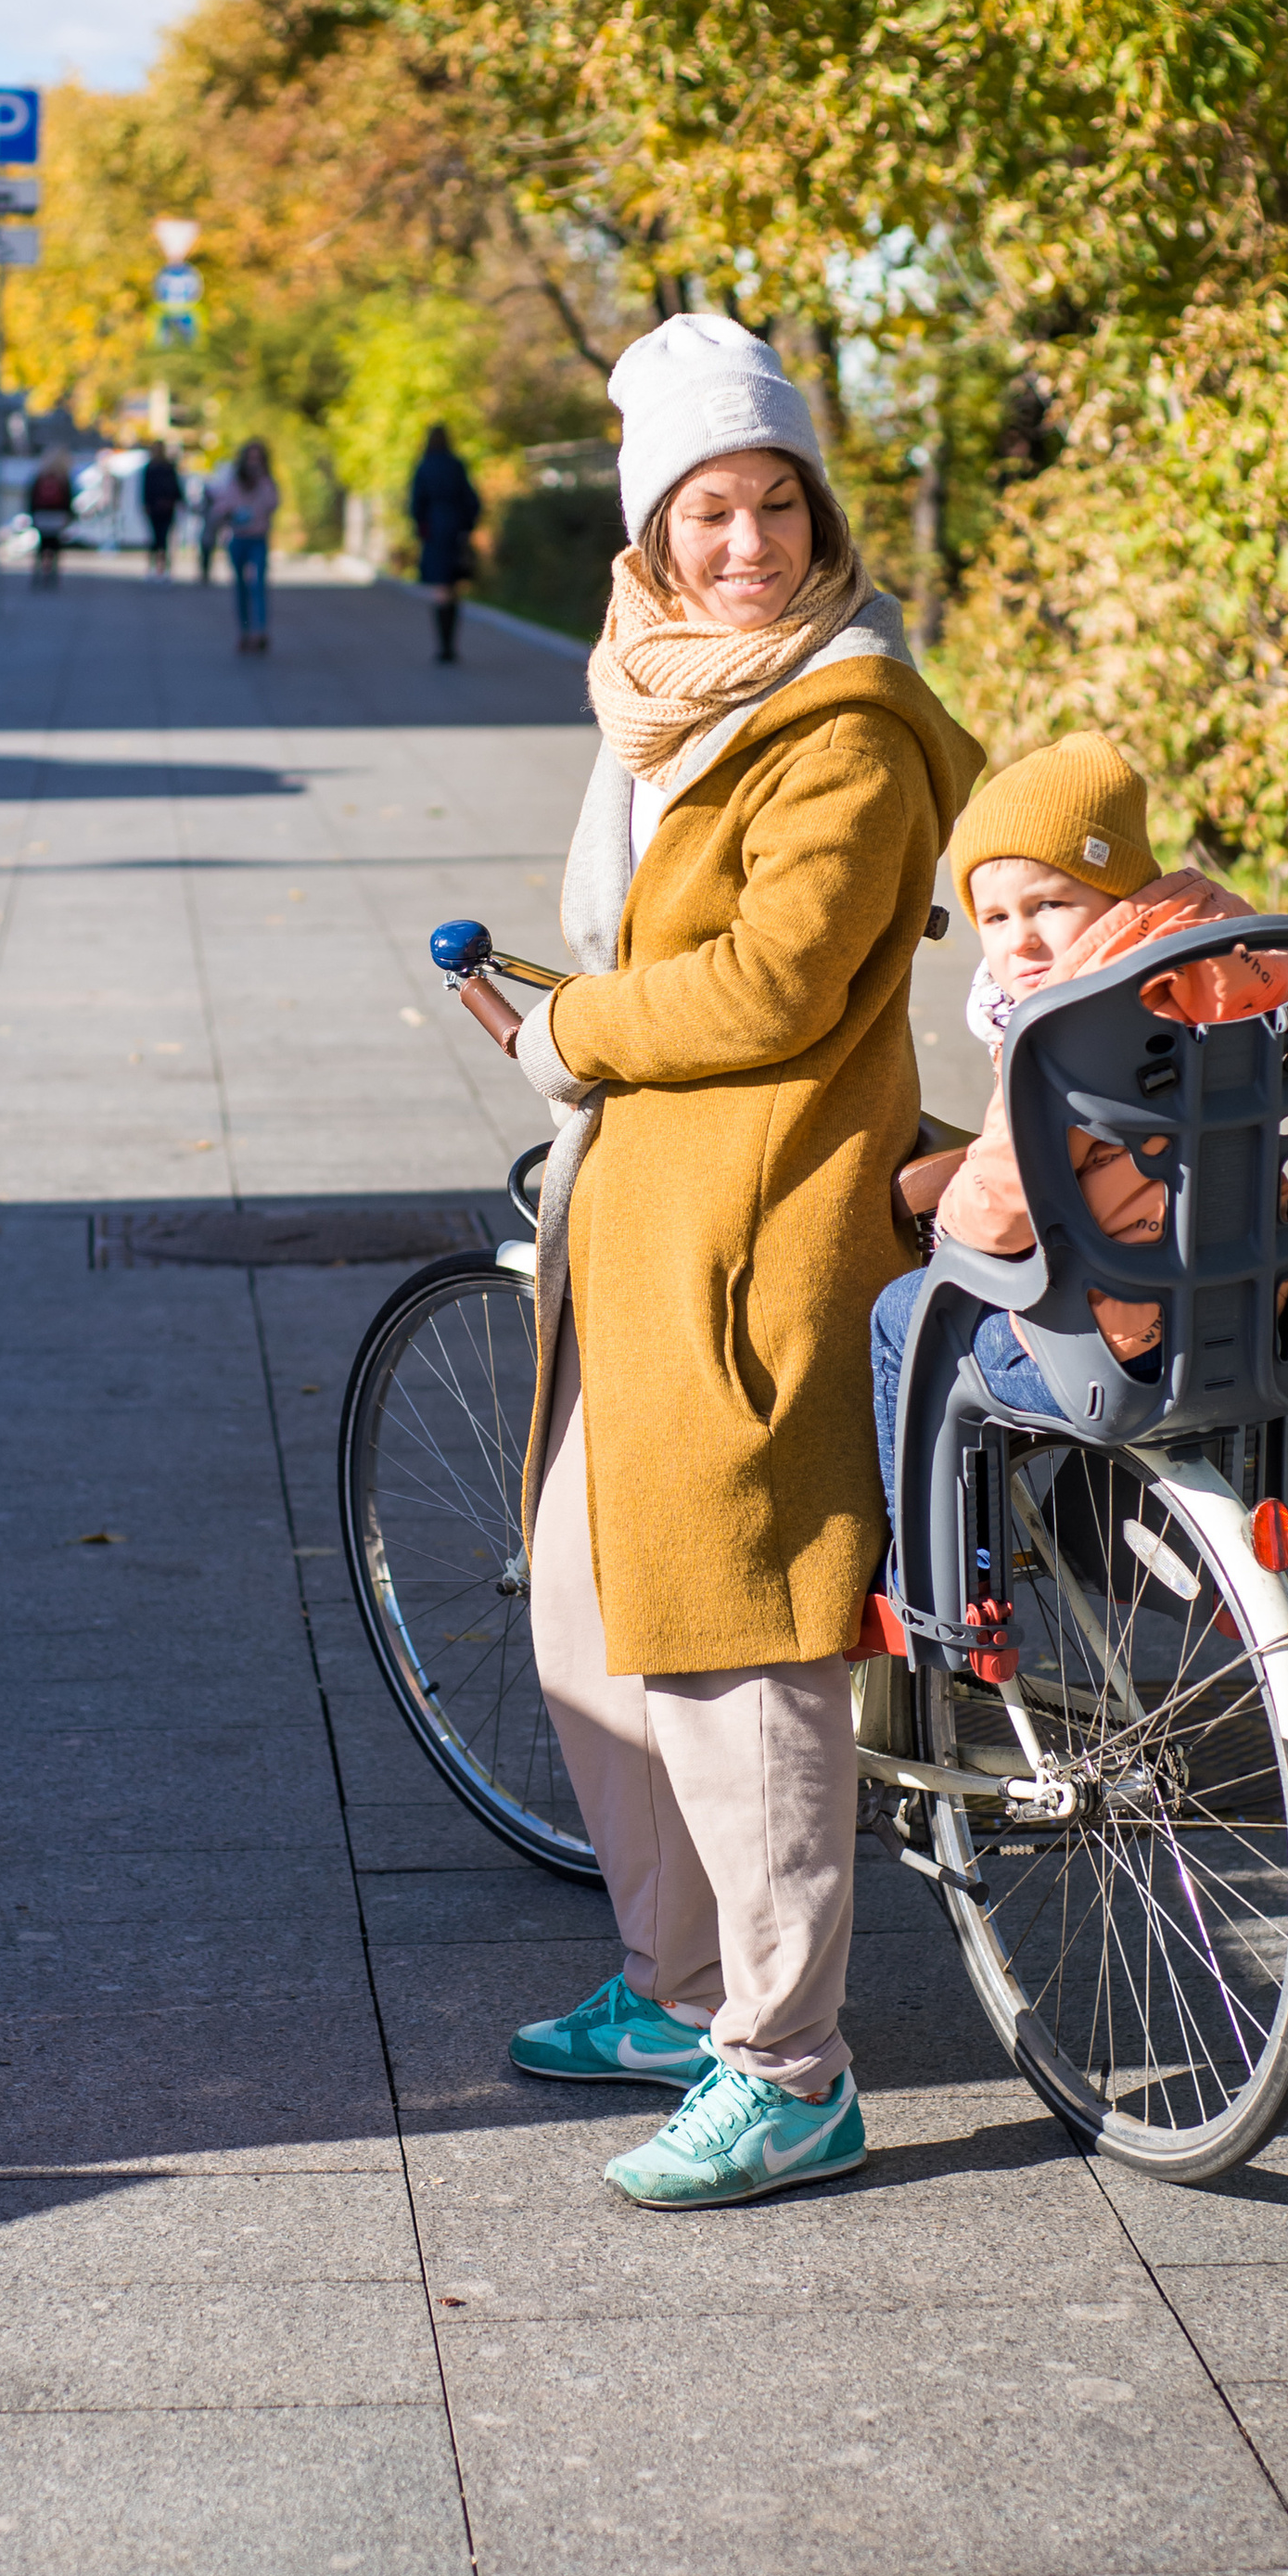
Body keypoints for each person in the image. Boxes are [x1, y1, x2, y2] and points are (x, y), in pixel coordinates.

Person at [495, 313, 980, 2209]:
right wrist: (569, 1017)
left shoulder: (844, 721)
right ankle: (673, 1981)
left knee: (742, 1642)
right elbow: (630, 937)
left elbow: (778, 984)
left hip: (758, 1225)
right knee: (574, 1608)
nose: (749, 543)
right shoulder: (663, 687)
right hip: (633, 1208)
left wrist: (573, 1033)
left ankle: (787, 2069)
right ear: (648, 537)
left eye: (775, 502)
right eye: (708, 509)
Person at [869, 733, 1288, 1463]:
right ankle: (1106, 1538)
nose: (1021, 941)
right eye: (995, 918)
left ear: (1117, 898)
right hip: (1257, 1315)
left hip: (1121, 1345)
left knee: (903, 1317)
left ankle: (922, 1575)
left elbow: (1003, 1208)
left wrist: (951, 1222)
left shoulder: (1074, 1025)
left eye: (1050, 904)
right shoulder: (1220, 968)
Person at [408, 422, 481, 662]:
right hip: (455, 530)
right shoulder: (455, 465)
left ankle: (444, 646)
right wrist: (467, 526)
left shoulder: (424, 466)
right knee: (453, 586)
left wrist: (422, 528)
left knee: (441, 588)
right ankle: (451, 644)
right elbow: (471, 499)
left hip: (435, 531)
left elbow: (416, 503)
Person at [216, 437, 279, 655]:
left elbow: (272, 504)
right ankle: (243, 632)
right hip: (238, 539)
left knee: (258, 586)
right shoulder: (233, 482)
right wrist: (231, 512)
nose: (253, 462)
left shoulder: (266, 482)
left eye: (258, 459)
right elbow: (222, 506)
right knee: (241, 588)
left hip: (258, 539)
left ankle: (259, 632)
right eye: (250, 458)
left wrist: (262, 480)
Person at [27, 453, 73, 589]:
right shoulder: (62, 478)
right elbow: (67, 498)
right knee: (55, 547)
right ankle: (52, 577)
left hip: (42, 515)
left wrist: (32, 515)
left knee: (42, 546)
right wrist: (68, 515)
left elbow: (32, 496)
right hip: (57, 516)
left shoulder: (40, 476)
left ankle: (38, 576)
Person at [140, 439, 184, 579]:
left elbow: (175, 486)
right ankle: (153, 568)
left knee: (164, 538)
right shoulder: (150, 468)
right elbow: (145, 488)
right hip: (154, 508)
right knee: (155, 539)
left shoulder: (169, 467)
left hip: (167, 508)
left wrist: (178, 500)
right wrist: (146, 504)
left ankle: (164, 569)